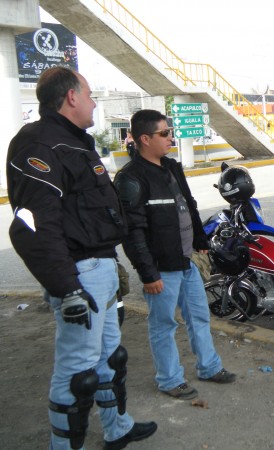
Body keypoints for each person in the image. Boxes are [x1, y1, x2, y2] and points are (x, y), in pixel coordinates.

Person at [6, 67, 157, 449]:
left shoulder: (76, 142)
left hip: (100, 266)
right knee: (78, 372)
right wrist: (67, 288)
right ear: (71, 97)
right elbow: (34, 225)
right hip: (79, 274)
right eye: (89, 95)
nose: (93, 103)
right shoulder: (40, 145)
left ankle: (117, 428)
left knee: (112, 359)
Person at [114, 109, 236, 401]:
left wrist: (199, 238)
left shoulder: (170, 167)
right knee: (163, 325)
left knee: (199, 316)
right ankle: (169, 379)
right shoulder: (130, 179)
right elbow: (133, 233)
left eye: (170, 132)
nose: (171, 137)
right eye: (165, 133)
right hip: (161, 270)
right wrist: (148, 274)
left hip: (186, 261)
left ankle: (209, 367)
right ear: (145, 138)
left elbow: (188, 205)